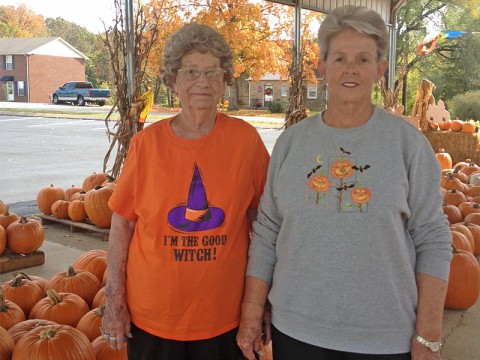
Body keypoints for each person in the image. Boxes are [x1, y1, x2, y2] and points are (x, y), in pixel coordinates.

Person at [237, 5, 452, 360]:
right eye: (340, 58)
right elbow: (267, 231)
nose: (350, 69)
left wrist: (428, 335)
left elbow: (433, 237)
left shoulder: (408, 145)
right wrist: (251, 312)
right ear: (323, 68)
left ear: (380, 70)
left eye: (363, 59)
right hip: (295, 331)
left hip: (384, 338)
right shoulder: (293, 142)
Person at [101, 22, 270, 360]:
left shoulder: (245, 142)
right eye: (191, 71)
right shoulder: (146, 145)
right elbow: (123, 226)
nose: (203, 82)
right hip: (151, 317)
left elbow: (265, 226)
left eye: (213, 72)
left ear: (225, 81)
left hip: (224, 317)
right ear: (173, 79)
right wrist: (114, 301)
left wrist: (261, 302)